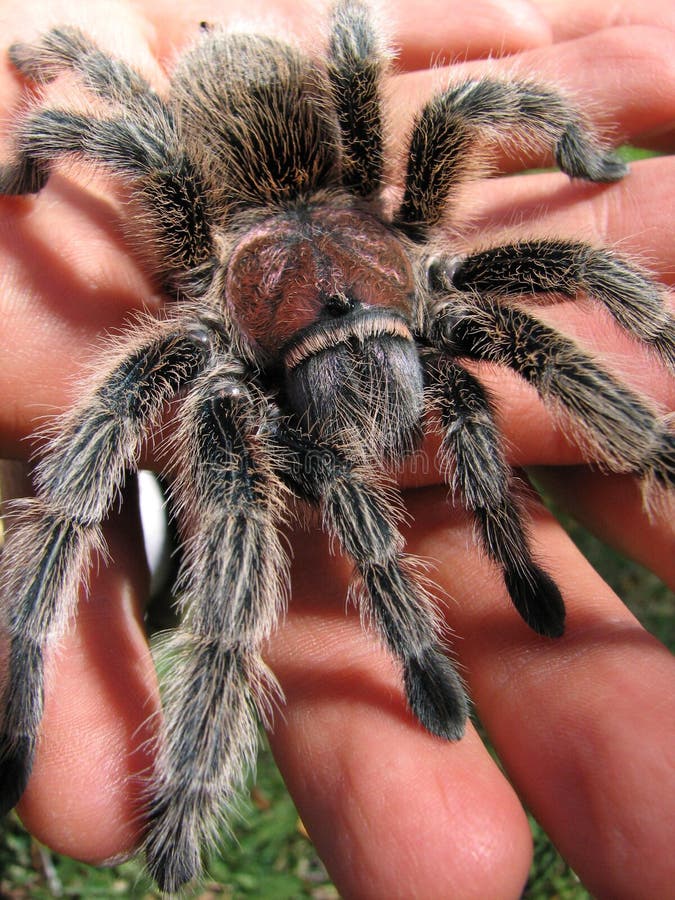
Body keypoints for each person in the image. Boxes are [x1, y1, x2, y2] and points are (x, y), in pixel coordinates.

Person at [0, 0, 673, 896]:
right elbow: (106, 127)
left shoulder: (431, 262)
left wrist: (578, 156)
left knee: (572, 288)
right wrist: (35, 139)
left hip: (353, 237)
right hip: (246, 242)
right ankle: (192, 784)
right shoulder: (200, 281)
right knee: (211, 539)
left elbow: (465, 100)